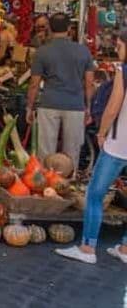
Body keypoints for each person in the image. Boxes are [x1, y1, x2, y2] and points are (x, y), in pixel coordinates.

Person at [56, 29, 127, 265]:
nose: (117, 51)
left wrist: (103, 131)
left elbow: (114, 106)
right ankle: (125, 248)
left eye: (119, 46)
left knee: (94, 194)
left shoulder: (123, 72)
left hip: (119, 143)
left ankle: (87, 247)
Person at [26, 13, 95, 168]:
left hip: (49, 104)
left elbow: (34, 84)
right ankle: (69, 183)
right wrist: (88, 107)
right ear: (70, 29)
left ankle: (44, 184)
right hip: (75, 105)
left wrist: (29, 107)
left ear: (49, 28)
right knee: (72, 152)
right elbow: (89, 83)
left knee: (45, 151)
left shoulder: (42, 52)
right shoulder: (83, 51)